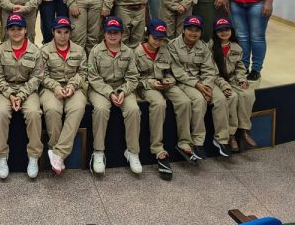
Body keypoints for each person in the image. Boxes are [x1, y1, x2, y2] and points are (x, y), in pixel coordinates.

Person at [135, 19, 194, 180]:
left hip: (165, 83)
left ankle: (184, 142)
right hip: (147, 86)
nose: (158, 42)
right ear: (148, 35)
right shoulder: (137, 52)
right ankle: (158, 148)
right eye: (155, 38)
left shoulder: (165, 50)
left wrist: (169, 81)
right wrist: (151, 83)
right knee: (159, 104)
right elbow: (134, 78)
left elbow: (170, 72)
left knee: (184, 101)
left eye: (161, 39)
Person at [168, 16, 233, 159]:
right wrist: (198, 86)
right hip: (185, 82)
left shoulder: (203, 46)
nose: (193, 33)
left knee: (221, 99)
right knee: (199, 100)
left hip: (204, 81)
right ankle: (198, 142)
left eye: (197, 30)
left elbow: (209, 69)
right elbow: (178, 72)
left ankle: (221, 139)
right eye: (190, 29)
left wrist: (207, 87)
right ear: (183, 30)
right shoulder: (173, 45)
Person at [87, 16, 142, 175]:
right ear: (104, 33)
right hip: (100, 88)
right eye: (109, 32)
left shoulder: (128, 52)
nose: (112, 35)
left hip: (122, 88)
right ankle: (98, 151)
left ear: (122, 34)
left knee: (133, 110)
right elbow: (93, 77)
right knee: (101, 110)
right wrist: (110, 93)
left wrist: (123, 91)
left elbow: (133, 77)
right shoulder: (95, 51)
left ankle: (132, 152)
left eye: (116, 32)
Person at [0, 13, 43, 180]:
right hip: (4, 90)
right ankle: (1, 156)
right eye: (12, 29)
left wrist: (20, 96)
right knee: (0, 113)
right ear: (7, 31)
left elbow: (36, 77)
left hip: (27, 89)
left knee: (34, 113)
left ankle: (34, 156)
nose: (16, 32)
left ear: (25, 30)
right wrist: (10, 95)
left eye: (19, 29)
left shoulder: (35, 51)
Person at [40, 16, 87, 175]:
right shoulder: (44, 51)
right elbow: (41, 75)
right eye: (59, 32)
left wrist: (72, 86)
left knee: (78, 108)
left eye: (66, 32)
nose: (63, 36)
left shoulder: (79, 50)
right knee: (52, 109)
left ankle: (58, 153)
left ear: (70, 33)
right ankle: (56, 150)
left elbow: (83, 72)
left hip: (74, 87)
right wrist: (55, 87)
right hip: (51, 87)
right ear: (53, 32)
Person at [212, 17, 258, 152]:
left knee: (248, 94)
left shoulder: (236, 47)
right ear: (215, 32)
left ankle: (244, 130)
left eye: (226, 29)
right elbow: (212, 71)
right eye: (220, 30)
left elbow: (239, 67)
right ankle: (231, 134)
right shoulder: (210, 47)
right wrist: (224, 86)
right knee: (232, 97)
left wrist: (242, 79)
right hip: (217, 80)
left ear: (231, 30)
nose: (224, 32)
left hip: (233, 78)